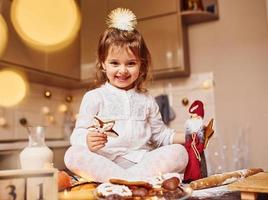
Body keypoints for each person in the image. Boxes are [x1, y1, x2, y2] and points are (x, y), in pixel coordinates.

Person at [64, 8, 189, 183]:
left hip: (142, 161)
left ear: (141, 66)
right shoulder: (94, 97)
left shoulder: (147, 101)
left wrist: (192, 135)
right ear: (103, 64)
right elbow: (77, 135)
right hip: (104, 164)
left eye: (130, 63)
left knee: (180, 153)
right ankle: (134, 181)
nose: (122, 70)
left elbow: (161, 136)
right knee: (72, 154)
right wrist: (86, 139)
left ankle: (124, 181)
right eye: (114, 63)